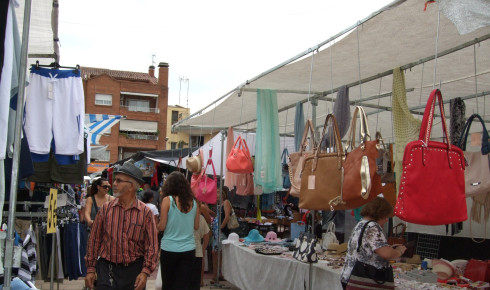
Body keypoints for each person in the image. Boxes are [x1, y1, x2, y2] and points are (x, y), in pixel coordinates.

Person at [85, 162, 159, 290]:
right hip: (106, 269)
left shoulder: (145, 213)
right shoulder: (106, 209)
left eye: (119, 181)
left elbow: (151, 245)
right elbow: (94, 239)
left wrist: (145, 272)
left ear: (131, 186)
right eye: (115, 180)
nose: (114, 184)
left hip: (133, 271)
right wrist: (91, 269)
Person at [340, 197, 407, 289]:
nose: (387, 220)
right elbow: (386, 254)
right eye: (386, 216)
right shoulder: (372, 227)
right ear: (380, 214)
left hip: (350, 275)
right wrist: (399, 251)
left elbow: (369, 248)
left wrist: (389, 247)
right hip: (363, 279)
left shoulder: (361, 224)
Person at [158, 171, 200, 290]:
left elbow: (162, 227)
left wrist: (155, 225)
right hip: (189, 249)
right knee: (183, 285)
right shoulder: (195, 202)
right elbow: (196, 226)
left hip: (169, 248)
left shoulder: (168, 200)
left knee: (168, 284)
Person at [211, 186, 232, 284]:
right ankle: (218, 274)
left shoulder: (226, 203)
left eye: (218, 193)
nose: (216, 195)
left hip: (221, 232)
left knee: (216, 252)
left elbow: (227, 216)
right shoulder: (220, 205)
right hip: (217, 232)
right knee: (216, 253)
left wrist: (220, 228)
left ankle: (217, 275)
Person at [192, 203, 210, 288]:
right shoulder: (201, 218)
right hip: (197, 247)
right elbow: (207, 236)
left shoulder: (183, 216)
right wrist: (203, 248)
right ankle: (200, 281)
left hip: (184, 248)